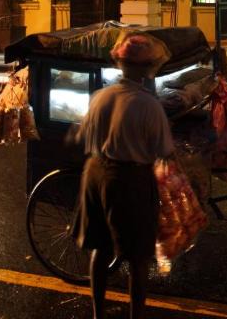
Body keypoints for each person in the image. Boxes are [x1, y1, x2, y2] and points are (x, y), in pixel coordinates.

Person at [76, 33, 174, 319]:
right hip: (129, 181)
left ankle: (98, 313)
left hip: (95, 174)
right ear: (146, 68)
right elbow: (164, 151)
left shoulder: (101, 97)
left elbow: (84, 137)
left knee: (101, 248)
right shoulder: (148, 105)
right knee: (139, 257)